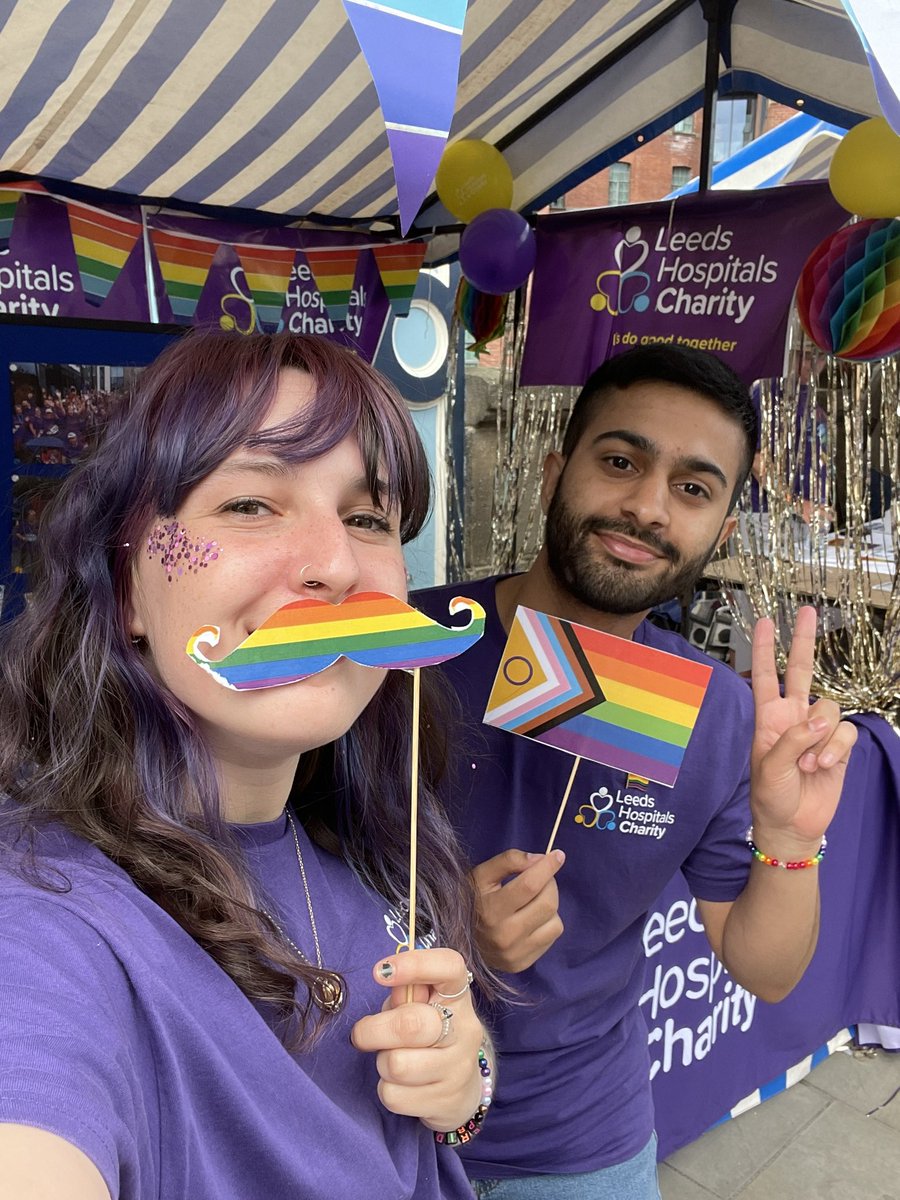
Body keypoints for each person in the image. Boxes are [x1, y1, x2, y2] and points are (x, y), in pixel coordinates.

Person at [0, 330, 496, 1200]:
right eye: (250, 506)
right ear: (125, 594)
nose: (337, 564)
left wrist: (465, 1083)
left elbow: (441, 1120)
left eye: (368, 518)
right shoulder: (44, 918)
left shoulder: (372, 843)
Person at [417, 344, 857, 1199]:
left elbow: (764, 970)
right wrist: (446, 930)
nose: (646, 507)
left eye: (693, 489)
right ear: (554, 472)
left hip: (578, 1142)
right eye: (620, 461)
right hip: (369, 1108)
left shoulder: (718, 714)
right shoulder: (405, 650)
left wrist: (790, 835)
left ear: (722, 530)